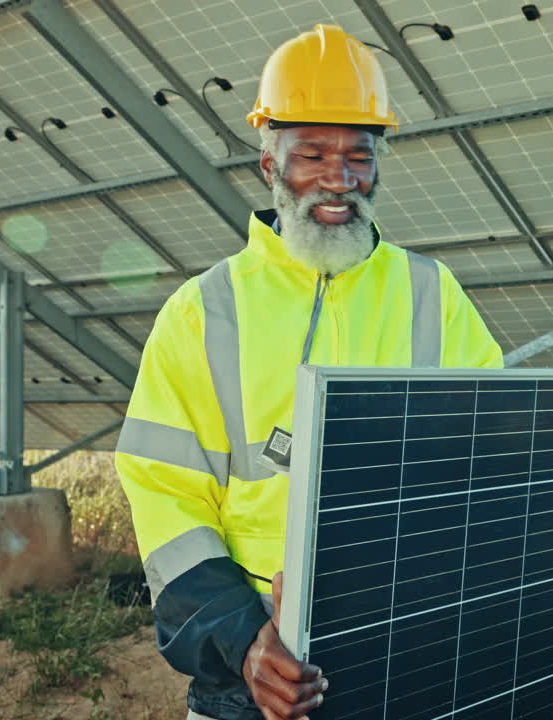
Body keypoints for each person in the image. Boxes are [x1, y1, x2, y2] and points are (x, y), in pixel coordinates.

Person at [114, 24, 503, 720]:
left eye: (359, 155)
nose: (337, 179)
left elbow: (489, 462)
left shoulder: (432, 295)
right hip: (250, 671)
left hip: (406, 642)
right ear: (269, 165)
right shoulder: (205, 311)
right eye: (311, 154)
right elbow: (165, 497)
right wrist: (246, 641)